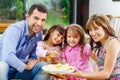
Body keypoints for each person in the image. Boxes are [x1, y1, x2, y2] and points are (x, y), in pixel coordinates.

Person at [0, 3, 49, 80]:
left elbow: (33, 56)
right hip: (4, 65)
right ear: (27, 17)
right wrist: (25, 66)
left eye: (43, 20)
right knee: (1, 66)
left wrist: (34, 61)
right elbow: (7, 57)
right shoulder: (15, 30)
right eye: (36, 18)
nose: (39, 23)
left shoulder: (39, 34)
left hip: (18, 70)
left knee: (44, 67)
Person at [68, 14, 120, 80]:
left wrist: (82, 75)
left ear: (105, 28)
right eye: (90, 30)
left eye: (96, 29)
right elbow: (99, 71)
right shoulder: (101, 45)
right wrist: (80, 73)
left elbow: (106, 74)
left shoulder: (112, 43)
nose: (92, 33)